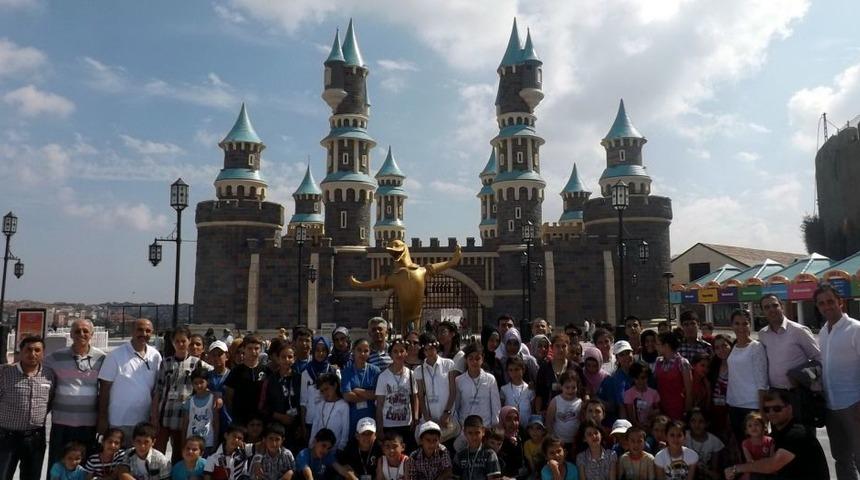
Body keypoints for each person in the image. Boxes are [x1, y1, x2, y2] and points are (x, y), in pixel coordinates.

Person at [724, 389, 829, 479]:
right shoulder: (777, 434)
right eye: (766, 410)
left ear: (789, 408)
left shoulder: (796, 433)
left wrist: (737, 468)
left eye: (777, 409)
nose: (771, 413)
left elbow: (772, 465)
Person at [45, 319, 106, 467]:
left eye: (85, 331)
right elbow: (35, 366)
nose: (81, 334)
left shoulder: (102, 359)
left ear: (91, 334)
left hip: (88, 425)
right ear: (71, 334)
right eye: (77, 331)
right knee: (57, 466)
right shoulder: (55, 357)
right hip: (61, 423)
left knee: (83, 468)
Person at [815, 283, 860, 480]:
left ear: (840, 302)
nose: (827, 306)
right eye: (822, 303)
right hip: (832, 407)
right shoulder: (823, 332)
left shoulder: (856, 329)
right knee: (841, 459)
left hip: (854, 406)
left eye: (831, 301)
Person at [757, 294, 821, 424]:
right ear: (763, 311)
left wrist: (801, 377)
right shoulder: (763, 334)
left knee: (803, 435)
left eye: (775, 305)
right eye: (767, 307)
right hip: (775, 395)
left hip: (798, 394)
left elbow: (819, 360)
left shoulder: (799, 331)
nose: (771, 309)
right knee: (781, 437)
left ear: (782, 307)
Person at [151, 326, 211, 462]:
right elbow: (158, 391)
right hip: (165, 415)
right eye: (177, 341)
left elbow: (210, 378)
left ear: (189, 341)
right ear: (172, 343)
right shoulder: (166, 363)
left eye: (183, 341)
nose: (180, 344)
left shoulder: (197, 364)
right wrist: (154, 416)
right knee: (158, 452)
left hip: (184, 417)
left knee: (179, 453)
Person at [98, 319, 162, 446]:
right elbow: (104, 389)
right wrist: (102, 419)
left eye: (148, 331)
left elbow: (156, 389)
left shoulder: (155, 356)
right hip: (119, 421)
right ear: (132, 331)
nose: (144, 333)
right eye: (140, 329)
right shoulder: (115, 355)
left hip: (143, 423)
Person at [0, 336, 54, 480]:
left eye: (37, 350)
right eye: (28, 350)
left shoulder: (49, 375)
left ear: (43, 353)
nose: (33, 354)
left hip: (35, 438)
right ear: (21, 351)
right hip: (7, 437)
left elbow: (50, 401)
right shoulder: (4, 373)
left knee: (32, 476)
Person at [725, 309, 768, 446]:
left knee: (755, 451)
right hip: (734, 405)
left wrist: (762, 413)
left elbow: (763, 383)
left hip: (751, 407)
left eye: (745, 323)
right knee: (741, 449)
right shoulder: (733, 347)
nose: (741, 327)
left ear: (750, 325)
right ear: (731, 325)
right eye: (737, 323)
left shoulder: (756, 347)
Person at [261, 342, 304, 453]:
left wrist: (301, 425)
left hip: (296, 428)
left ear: (294, 358)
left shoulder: (300, 379)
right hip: (276, 428)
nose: (286, 360)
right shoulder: (270, 380)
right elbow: (263, 406)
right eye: (283, 357)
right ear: (278, 359)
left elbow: (304, 403)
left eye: (290, 357)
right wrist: (280, 416)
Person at [375, 340, 419, 451]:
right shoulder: (383, 376)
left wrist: (415, 418)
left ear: (406, 353)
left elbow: (415, 398)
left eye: (401, 351)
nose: (399, 354)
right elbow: (379, 404)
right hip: (388, 424)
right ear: (390, 354)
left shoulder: (411, 374)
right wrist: (379, 427)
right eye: (395, 351)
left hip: (406, 423)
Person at [413, 333, 457, 441]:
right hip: (430, 418)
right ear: (423, 351)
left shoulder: (448, 364)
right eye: (426, 350)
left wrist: (446, 413)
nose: (429, 352)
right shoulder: (419, 370)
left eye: (432, 348)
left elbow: (453, 391)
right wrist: (427, 418)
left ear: (436, 347)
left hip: (448, 416)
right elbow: (421, 396)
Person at [455, 341, 502, 429]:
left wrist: (494, 425)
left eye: (477, 358)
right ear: (466, 359)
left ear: (482, 359)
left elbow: (496, 406)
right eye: (471, 359)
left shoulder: (490, 379)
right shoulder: (459, 380)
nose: (474, 362)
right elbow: (456, 407)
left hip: (485, 428)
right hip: (465, 429)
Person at [301, 337, 340, 437]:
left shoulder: (334, 371)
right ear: (313, 351)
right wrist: (303, 426)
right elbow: (303, 402)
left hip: (329, 420)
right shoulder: (306, 372)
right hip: (311, 420)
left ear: (328, 352)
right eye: (317, 350)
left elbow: (339, 396)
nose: (320, 353)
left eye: (323, 350)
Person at [225, 335, 267, 426]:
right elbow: (229, 397)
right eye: (250, 348)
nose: (253, 352)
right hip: (241, 420)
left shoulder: (266, 371)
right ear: (244, 349)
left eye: (256, 348)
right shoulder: (235, 372)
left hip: (261, 420)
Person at [341, 339, 381, 436]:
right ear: (353, 351)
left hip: (371, 415)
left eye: (366, 351)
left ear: (369, 352)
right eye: (359, 350)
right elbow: (347, 395)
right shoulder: (347, 371)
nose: (362, 354)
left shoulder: (375, 371)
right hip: (353, 416)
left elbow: (377, 394)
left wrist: (356, 390)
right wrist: (368, 395)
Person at [654, 332, 692, 421]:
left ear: (666, 345)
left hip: (678, 408)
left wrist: (687, 411)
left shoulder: (683, 363)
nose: (656, 346)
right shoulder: (658, 362)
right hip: (662, 407)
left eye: (658, 344)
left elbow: (689, 391)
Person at [181, 368, 220, 453]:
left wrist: (215, 442)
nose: (199, 386)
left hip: (208, 442)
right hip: (191, 444)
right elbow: (185, 424)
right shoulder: (189, 401)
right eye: (196, 383)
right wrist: (184, 442)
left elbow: (216, 422)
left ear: (207, 382)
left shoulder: (213, 399)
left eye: (201, 382)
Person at [308, 373, 350, 450]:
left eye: (326, 389)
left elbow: (345, 430)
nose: (325, 393)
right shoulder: (320, 405)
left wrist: (341, 448)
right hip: (318, 449)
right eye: (322, 391)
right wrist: (311, 445)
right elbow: (315, 426)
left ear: (335, 385)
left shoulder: (343, 405)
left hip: (334, 449)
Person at [597, 340, 635, 423]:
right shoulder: (613, 380)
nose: (626, 357)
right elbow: (619, 406)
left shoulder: (639, 374)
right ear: (617, 358)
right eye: (622, 355)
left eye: (628, 353)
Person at [453, 415, 502, 480]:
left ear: (483, 431)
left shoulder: (489, 454)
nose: (474, 437)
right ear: (464, 432)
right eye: (470, 433)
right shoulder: (460, 456)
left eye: (477, 433)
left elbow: (494, 478)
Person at [536, 333, 572, 413]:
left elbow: (582, 391)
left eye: (564, 346)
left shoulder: (574, 368)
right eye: (557, 346)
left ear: (568, 348)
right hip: (548, 412)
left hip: (570, 413)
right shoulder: (544, 368)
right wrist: (538, 412)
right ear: (552, 348)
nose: (561, 349)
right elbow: (539, 393)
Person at [683, 409, 723, 480]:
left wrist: (704, 470)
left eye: (701, 421)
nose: (697, 425)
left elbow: (715, 471)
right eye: (693, 421)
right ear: (689, 422)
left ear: (707, 423)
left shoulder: (714, 441)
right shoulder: (683, 436)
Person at [546, 371, 582, 448]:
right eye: (567, 387)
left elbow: (582, 421)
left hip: (574, 442)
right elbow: (549, 421)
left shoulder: (579, 402)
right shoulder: (555, 401)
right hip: (558, 441)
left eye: (573, 387)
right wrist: (553, 438)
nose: (570, 390)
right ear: (561, 387)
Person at [623, 362, 661, 428]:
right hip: (636, 428)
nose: (640, 381)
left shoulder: (654, 393)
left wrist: (652, 414)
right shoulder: (628, 394)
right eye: (637, 378)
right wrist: (640, 426)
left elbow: (658, 410)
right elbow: (631, 417)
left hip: (651, 427)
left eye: (643, 378)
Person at [501, 356, 534, 428]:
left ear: (523, 370)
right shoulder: (504, 389)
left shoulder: (529, 389)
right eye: (510, 370)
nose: (514, 373)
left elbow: (532, 408)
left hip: (526, 426)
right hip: (510, 427)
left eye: (516, 369)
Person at [739, 412, 772, 480]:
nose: (753, 427)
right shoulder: (745, 443)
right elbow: (750, 462)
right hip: (753, 469)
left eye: (756, 424)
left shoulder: (770, 441)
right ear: (746, 431)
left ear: (763, 427)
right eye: (750, 426)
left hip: (769, 469)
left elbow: (772, 459)